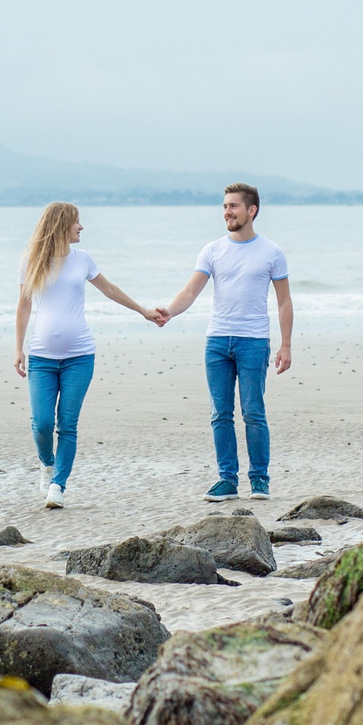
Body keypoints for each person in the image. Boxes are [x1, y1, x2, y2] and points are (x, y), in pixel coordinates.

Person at [15, 201, 165, 508]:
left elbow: (109, 290)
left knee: (67, 424)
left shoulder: (82, 259)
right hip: (42, 358)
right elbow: (24, 305)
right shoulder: (32, 260)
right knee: (42, 423)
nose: (81, 227)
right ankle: (47, 464)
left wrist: (143, 311)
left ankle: (58, 484)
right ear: (60, 225)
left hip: (80, 357)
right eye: (76, 222)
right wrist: (18, 348)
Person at [155, 183, 292, 499]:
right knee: (220, 413)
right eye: (224, 207)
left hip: (254, 342)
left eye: (233, 206)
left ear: (251, 210)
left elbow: (284, 301)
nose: (227, 212)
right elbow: (190, 292)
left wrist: (285, 345)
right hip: (217, 340)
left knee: (253, 411)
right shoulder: (212, 250)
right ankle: (227, 480)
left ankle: (259, 479)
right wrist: (169, 312)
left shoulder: (272, 252)